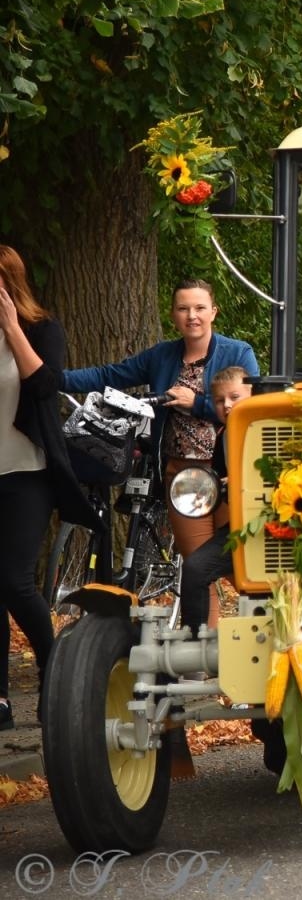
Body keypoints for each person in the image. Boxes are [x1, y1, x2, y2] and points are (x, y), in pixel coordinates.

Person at [64, 279, 259, 578]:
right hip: (182, 476)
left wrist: (198, 403)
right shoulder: (161, 356)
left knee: (241, 569)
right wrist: (52, 377)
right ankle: (204, 628)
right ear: (173, 315)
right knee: (198, 570)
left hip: (229, 473)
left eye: (199, 308)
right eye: (183, 308)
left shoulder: (238, 353)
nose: (192, 315)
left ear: (213, 312)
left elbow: (253, 410)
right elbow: (109, 374)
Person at [0, 246, 100, 730]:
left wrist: (12, 328)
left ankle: (54, 670)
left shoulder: (43, 330)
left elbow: (44, 386)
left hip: (27, 473)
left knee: (14, 580)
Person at [176, 366, 251, 632]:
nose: (227, 405)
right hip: (242, 528)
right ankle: (191, 645)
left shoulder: (268, 427)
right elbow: (220, 480)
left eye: (234, 397)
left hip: (280, 524)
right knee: (195, 568)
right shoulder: (223, 436)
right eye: (219, 400)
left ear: (253, 394)